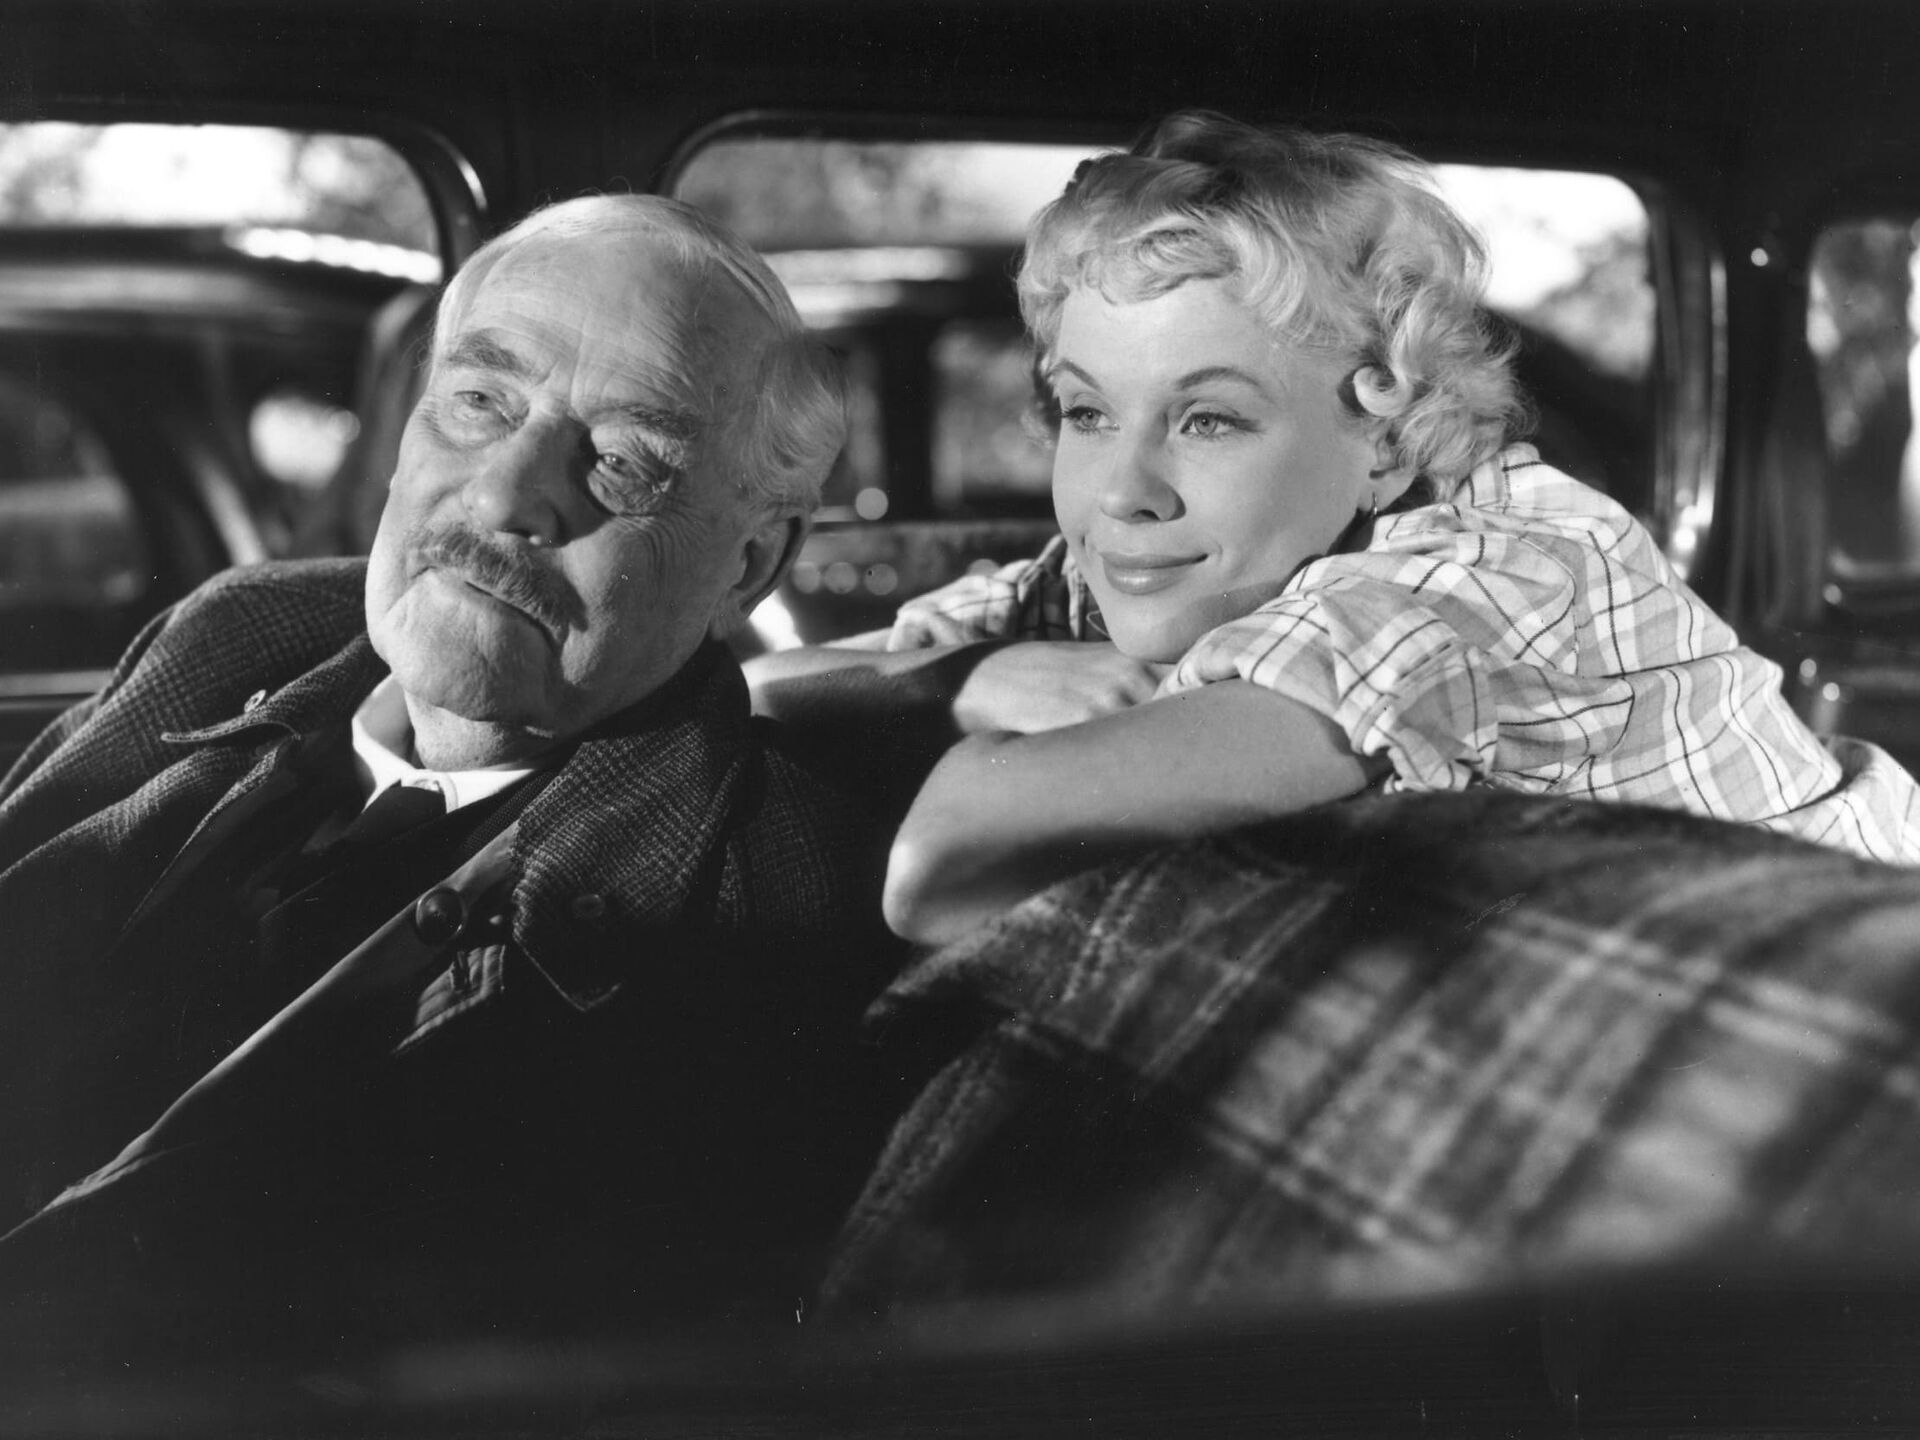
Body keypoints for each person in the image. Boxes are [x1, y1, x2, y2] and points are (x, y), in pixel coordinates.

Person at [0, 194, 895, 1359]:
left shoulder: (772, 899)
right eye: (480, 402)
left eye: (624, 461)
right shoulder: (235, 635)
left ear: (752, 563)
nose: (504, 495)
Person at [747, 111, 1920, 947]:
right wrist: (970, 678)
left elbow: (949, 864)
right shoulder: (1160, 561)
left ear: (1386, 441)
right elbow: (758, 691)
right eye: (1086, 413)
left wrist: (934, 703)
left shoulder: (1484, 580)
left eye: (1208, 420)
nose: (1123, 493)